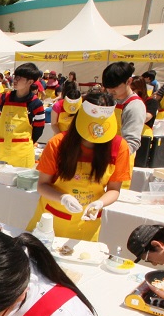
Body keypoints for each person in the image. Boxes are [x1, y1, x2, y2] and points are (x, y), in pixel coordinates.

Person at [27, 92, 130, 241]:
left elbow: (114, 189)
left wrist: (100, 203)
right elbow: (42, 185)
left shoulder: (119, 147)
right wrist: (63, 198)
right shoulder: (58, 143)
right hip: (51, 221)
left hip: (86, 226)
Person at [0, 63, 45, 168]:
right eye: (14, 77)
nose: (14, 80)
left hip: (22, 155)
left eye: (19, 78)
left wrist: (22, 143)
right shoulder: (4, 98)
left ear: (30, 82)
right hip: (1, 151)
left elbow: (38, 131)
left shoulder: (36, 104)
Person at [102, 61, 145, 158]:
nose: (110, 91)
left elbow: (132, 142)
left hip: (119, 160)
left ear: (129, 81)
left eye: (115, 87)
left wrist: (113, 157)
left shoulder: (135, 106)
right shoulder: (110, 100)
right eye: (108, 88)